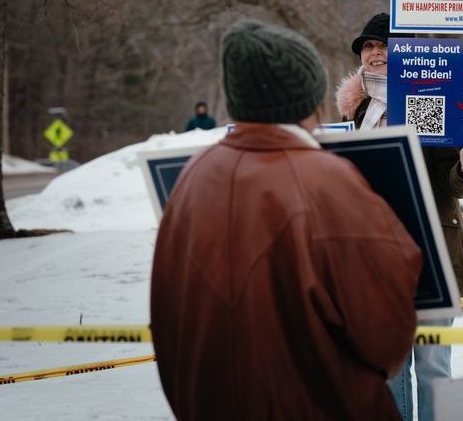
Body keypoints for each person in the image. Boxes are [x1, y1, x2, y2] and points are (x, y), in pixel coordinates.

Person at [151, 21, 422, 420]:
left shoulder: (190, 178)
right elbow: (388, 336)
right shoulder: (326, 180)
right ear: (310, 101)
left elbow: (169, 323)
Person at [336, 12, 463, 421]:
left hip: (430, 250)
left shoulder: (428, 97)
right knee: (391, 368)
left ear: (406, 52)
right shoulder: (360, 112)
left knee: (433, 364)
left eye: (382, 45)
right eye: (368, 46)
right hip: (375, 254)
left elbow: (450, 182)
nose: (373, 53)